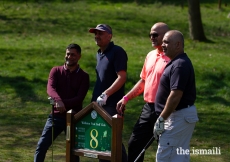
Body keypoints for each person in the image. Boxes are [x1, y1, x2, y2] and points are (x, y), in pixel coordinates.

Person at [116, 22, 170, 162]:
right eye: (150, 34)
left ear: (166, 36)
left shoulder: (173, 58)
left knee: (165, 149)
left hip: (166, 110)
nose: (152, 37)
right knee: (134, 144)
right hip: (148, 108)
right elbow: (143, 81)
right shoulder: (150, 55)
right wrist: (126, 98)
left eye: (155, 35)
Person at [34, 43, 90, 162]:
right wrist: (58, 101)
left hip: (74, 118)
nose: (69, 57)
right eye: (68, 54)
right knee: (41, 146)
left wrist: (62, 103)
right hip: (56, 117)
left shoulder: (84, 76)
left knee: (73, 152)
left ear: (79, 56)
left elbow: (79, 98)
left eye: (73, 55)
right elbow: (50, 88)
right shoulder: (55, 71)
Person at [153, 30, 199, 162]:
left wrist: (161, 119)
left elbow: (176, 95)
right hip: (179, 116)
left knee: (165, 156)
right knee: (178, 156)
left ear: (178, 45)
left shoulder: (180, 64)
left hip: (177, 116)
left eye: (167, 42)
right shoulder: (177, 62)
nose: (163, 45)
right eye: (163, 42)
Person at [89, 24, 128, 162]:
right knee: (102, 141)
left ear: (109, 36)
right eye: (95, 33)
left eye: (100, 33)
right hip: (99, 104)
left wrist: (106, 94)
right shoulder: (99, 53)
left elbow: (122, 77)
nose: (97, 36)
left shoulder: (117, 52)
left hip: (111, 104)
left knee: (112, 140)